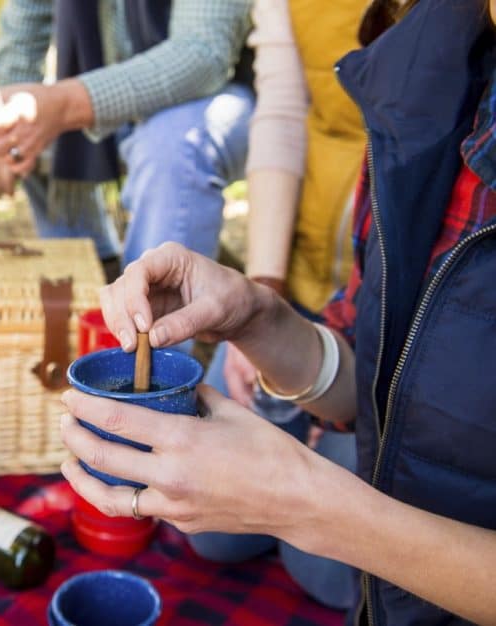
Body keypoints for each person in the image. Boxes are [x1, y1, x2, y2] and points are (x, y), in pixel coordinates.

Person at [59, 0, 496, 623]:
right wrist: (260, 318)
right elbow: (381, 380)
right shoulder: (423, 82)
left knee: (316, 562)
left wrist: (306, 507)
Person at [191, 0, 368, 609]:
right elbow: (284, 110)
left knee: (324, 569)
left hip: (406, 310)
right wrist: (262, 298)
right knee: (209, 528)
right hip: (309, 281)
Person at [0, 0, 254, 277]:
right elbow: (25, 29)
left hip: (226, 94)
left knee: (171, 146)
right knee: (31, 131)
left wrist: (65, 103)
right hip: (116, 83)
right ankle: (91, 285)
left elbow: (201, 54)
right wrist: (4, 129)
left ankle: (157, 323)